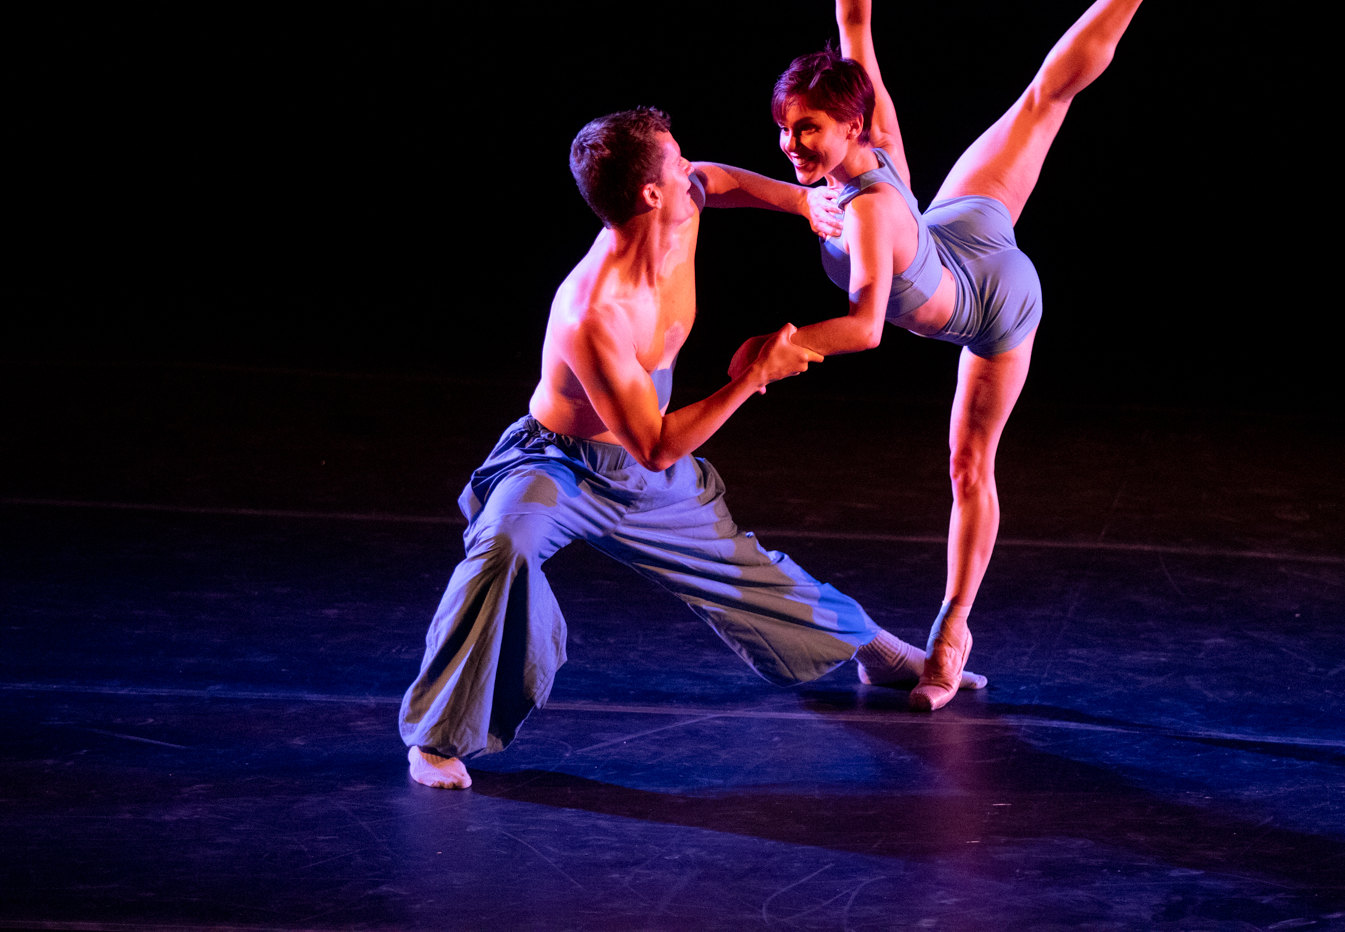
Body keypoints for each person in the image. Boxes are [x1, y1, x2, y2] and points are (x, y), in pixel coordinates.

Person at [399, 106, 980, 789]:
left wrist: (803, 204)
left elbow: (720, 179)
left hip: (641, 475)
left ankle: (877, 651)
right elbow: (654, 443)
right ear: (649, 194)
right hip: (558, 466)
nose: (691, 169)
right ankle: (436, 739)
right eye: (676, 164)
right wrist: (752, 379)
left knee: (746, 568)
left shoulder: (686, 205)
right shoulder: (594, 313)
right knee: (502, 546)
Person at [730, 0, 1192, 712]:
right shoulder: (875, 143)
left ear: (850, 125)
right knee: (1044, 98)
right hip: (957, 229)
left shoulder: (866, 211)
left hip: (993, 303)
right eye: (786, 130)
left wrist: (780, 351)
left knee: (968, 464)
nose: (793, 145)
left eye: (808, 130)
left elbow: (867, 326)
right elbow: (855, 21)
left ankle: (951, 634)